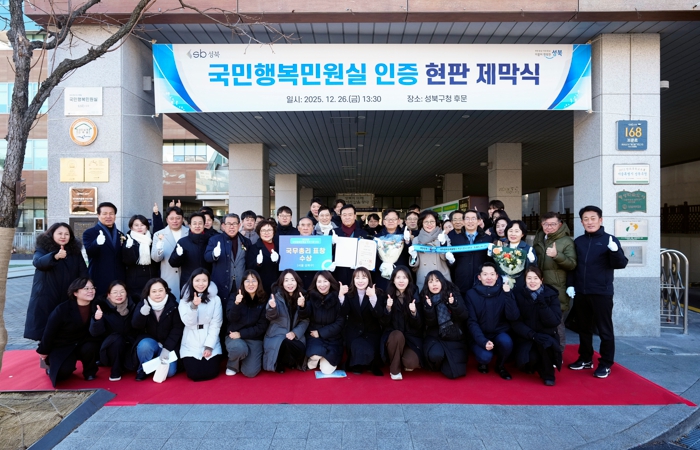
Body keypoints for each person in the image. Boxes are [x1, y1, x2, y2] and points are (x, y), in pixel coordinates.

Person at [567, 206, 628, 378]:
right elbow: (573, 266)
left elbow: (621, 264)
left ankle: (606, 363)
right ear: (581, 222)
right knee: (583, 328)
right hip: (581, 292)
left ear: (600, 220)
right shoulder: (579, 241)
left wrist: (615, 251)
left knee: (604, 330)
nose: (589, 222)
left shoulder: (610, 240)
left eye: (593, 218)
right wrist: (571, 285)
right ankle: (585, 358)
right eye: (586, 219)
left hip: (602, 292)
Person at [24, 222, 88, 341]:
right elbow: (38, 262)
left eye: (66, 234)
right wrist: (55, 256)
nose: (63, 236)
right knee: (45, 330)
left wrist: (85, 287)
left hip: (67, 296)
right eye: (60, 233)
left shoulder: (74, 251)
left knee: (64, 329)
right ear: (52, 234)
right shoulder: (43, 248)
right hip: (47, 296)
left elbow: (83, 271)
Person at [38, 277, 101, 387]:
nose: (91, 291)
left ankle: (90, 372)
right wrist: (43, 351)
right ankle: (51, 365)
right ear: (75, 293)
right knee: (62, 374)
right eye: (86, 288)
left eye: (92, 288)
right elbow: (49, 331)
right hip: (63, 345)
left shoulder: (97, 307)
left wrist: (97, 320)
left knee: (91, 346)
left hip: (83, 343)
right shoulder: (62, 309)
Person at [465, 262, 519, 380]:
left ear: (497, 276)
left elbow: (513, 316)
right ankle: (482, 363)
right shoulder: (471, 294)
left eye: (492, 274)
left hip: (499, 333)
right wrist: (483, 341)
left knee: (506, 342)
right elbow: (471, 322)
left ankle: (500, 365)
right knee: (485, 357)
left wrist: (508, 295)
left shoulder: (504, 291)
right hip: (480, 335)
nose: (489, 277)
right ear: (479, 277)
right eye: (485, 274)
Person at [511, 266, 563, 386]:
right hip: (527, 336)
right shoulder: (518, 295)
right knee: (530, 359)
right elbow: (515, 322)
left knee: (546, 344)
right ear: (525, 280)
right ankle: (532, 365)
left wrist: (543, 305)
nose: (532, 281)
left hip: (546, 335)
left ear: (541, 280)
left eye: (536, 278)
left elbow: (554, 321)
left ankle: (548, 374)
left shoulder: (551, 295)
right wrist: (532, 335)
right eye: (529, 278)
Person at [532, 212, 577, 349]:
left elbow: (572, 264)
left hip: (557, 288)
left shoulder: (566, 241)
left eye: (553, 224)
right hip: (539, 287)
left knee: (557, 324)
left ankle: (559, 353)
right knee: (539, 321)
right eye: (545, 224)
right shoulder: (540, 238)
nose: (549, 227)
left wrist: (557, 255)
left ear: (560, 224)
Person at [131, 278, 183, 381]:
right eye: (154, 291)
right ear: (148, 292)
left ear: (166, 290)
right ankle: (142, 369)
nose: (158, 294)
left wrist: (167, 348)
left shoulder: (173, 305)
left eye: (160, 290)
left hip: (167, 344)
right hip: (150, 342)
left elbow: (177, 329)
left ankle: (155, 363)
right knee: (145, 346)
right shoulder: (143, 304)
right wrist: (142, 314)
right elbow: (135, 326)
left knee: (170, 372)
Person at [421, 270, 469, 379]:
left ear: (442, 281)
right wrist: (429, 309)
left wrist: (454, 304)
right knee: (435, 355)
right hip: (436, 337)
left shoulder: (452, 293)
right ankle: (441, 360)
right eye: (431, 282)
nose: (434, 284)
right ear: (427, 285)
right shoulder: (425, 298)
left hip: (454, 337)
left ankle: (447, 360)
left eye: (437, 281)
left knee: (453, 373)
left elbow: (464, 316)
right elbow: (430, 324)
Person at [178, 269, 223, 381]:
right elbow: (188, 322)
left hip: (210, 339)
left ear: (209, 282)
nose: (201, 284)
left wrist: (209, 346)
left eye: (204, 280)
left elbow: (216, 324)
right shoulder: (184, 300)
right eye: (197, 280)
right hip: (190, 341)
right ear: (192, 281)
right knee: (194, 375)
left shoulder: (215, 299)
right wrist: (194, 306)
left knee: (211, 373)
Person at [379, 266, 422, 380]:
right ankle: (395, 370)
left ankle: (400, 358)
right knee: (397, 335)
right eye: (398, 277)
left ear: (409, 280)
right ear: (393, 280)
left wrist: (414, 312)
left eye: (404, 277)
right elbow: (383, 323)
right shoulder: (387, 295)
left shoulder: (415, 295)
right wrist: (388, 308)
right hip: (393, 338)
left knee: (411, 362)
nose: (401, 280)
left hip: (410, 338)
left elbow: (419, 325)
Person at [298, 271, 345, 374]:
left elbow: (340, 323)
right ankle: (316, 358)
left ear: (330, 282)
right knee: (315, 355)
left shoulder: (338, 297)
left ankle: (322, 360)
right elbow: (305, 315)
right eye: (319, 282)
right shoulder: (311, 296)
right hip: (314, 336)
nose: (322, 285)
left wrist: (321, 332)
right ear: (315, 283)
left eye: (325, 281)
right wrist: (302, 307)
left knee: (327, 370)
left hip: (333, 337)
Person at [89, 280, 137, 382]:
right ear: (109, 295)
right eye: (115, 292)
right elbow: (95, 333)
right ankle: (115, 371)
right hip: (111, 347)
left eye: (122, 292)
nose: (119, 295)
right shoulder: (102, 308)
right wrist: (97, 320)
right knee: (117, 339)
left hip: (130, 343)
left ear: (126, 293)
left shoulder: (134, 305)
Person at [263, 270, 309, 373]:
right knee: (282, 342)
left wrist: (295, 333)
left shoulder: (303, 296)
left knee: (299, 348)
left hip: (295, 335)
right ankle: (279, 363)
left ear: (297, 281)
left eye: (292, 280)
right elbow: (270, 317)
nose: (290, 283)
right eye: (286, 280)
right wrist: (272, 308)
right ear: (282, 283)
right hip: (277, 333)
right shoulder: (275, 296)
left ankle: (290, 361)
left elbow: (305, 320)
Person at [340, 267, 384, 375]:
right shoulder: (348, 294)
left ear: (369, 279)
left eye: (364, 277)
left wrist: (372, 297)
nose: (360, 281)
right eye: (357, 278)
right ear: (353, 280)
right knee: (357, 346)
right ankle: (357, 365)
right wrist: (341, 296)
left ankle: (368, 364)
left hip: (371, 332)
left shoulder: (378, 293)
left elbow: (379, 315)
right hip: (354, 332)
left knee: (369, 349)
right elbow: (343, 313)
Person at [225, 270, 268, 377]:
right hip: (234, 336)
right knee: (239, 349)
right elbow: (231, 318)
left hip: (254, 338)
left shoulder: (263, 299)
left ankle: (244, 357)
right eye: (247, 281)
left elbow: (262, 326)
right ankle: (232, 365)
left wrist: (241, 334)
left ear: (258, 282)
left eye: (254, 281)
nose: (250, 284)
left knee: (250, 372)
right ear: (243, 283)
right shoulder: (235, 296)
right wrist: (237, 303)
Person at [205, 213, 252, 300]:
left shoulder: (245, 241)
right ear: (223, 226)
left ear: (239, 225)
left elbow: (249, 262)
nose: (232, 227)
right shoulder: (215, 240)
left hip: (240, 283)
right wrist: (214, 255)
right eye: (228, 224)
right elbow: (207, 257)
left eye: (234, 224)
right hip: (221, 283)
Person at [83, 202, 126, 295]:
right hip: (99, 277)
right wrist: (97, 243)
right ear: (98, 215)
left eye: (111, 213)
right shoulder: (90, 233)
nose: (108, 216)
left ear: (115, 216)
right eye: (105, 214)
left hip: (118, 279)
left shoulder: (120, 234)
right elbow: (90, 252)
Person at [447, 209, 491, 299]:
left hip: (482, 282)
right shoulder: (455, 239)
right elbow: (451, 265)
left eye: (473, 218)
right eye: (467, 218)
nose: (470, 221)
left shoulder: (487, 239)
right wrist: (451, 261)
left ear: (479, 221)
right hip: (461, 282)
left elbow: (490, 261)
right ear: (463, 221)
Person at [151, 206, 189, 302]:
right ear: (167, 220)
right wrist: (159, 249)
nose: (175, 221)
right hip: (168, 277)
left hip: (187, 275)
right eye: (171, 218)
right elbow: (155, 258)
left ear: (182, 219)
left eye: (178, 218)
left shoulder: (189, 232)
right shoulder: (159, 234)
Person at [408, 210, 451, 291]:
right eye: (426, 222)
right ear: (422, 223)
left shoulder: (443, 237)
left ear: (436, 222)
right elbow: (415, 265)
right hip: (424, 279)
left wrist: (443, 245)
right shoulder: (416, 240)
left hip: (441, 278)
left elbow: (445, 258)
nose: (429, 224)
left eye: (432, 221)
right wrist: (414, 257)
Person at [169, 212, 212, 291]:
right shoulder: (183, 242)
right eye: (194, 223)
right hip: (188, 282)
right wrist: (178, 255)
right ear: (190, 225)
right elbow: (173, 263)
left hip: (207, 283)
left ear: (204, 225)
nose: (197, 226)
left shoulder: (211, 240)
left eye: (200, 223)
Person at [491, 220, 536, 290]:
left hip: (521, 285)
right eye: (510, 231)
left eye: (516, 231)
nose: (513, 234)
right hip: (504, 284)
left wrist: (531, 261)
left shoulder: (528, 249)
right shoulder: (502, 248)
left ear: (522, 234)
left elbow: (533, 269)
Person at [122, 214, 158, 300]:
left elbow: (157, 261)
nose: (139, 227)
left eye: (142, 225)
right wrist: (129, 248)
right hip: (134, 280)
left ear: (147, 227)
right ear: (131, 227)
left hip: (151, 277)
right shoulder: (127, 240)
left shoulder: (153, 239)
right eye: (136, 225)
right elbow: (126, 261)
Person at [374, 209, 411, 291]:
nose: (391, 221)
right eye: (388, 219)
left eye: (394, 219)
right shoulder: (377, 237)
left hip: (400, 275)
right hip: (381, 274)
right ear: (384, 222)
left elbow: (409, 255)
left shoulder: (404, 237)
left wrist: (408, 242)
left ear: (398, 221)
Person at [333, 204, 370, 286]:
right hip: (339, 273)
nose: (347, 217)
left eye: (350, 215)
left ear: (355, 216)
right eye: (344, 215)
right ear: (340, 216)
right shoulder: (333, 232)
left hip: (358, 275)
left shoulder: (364, 233)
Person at [246, 219, 280, 297]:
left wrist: (278, 261)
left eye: (269, 230)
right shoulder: (253, 248)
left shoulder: (280, 246)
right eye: (263, 230)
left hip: (278, 286)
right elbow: (249, 269)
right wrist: (257, 263)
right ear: (259, 232)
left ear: (274, 232)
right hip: (261, 287)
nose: (266, 233)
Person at [296, 217, 317, 289]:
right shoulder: (290, 242)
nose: (305, 228)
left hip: (315, 281)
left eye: (308, 225)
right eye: (303, 225)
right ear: (298, 228)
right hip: (296, 282)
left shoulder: (320, 242)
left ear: (313, 228)